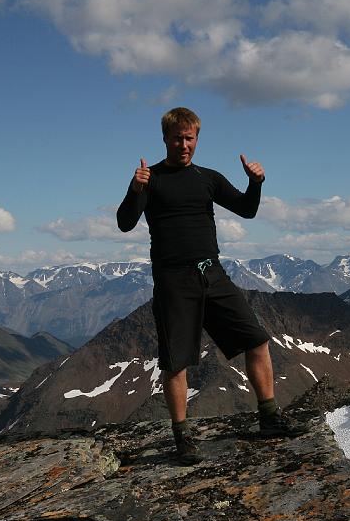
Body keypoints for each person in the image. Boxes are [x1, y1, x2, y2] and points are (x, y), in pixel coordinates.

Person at [117, 107, 307, 464]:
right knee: (176, 361)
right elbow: (125, 223)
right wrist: (134, 189)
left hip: (212, 273)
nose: (184, 144)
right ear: (165, 139)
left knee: (257, 340)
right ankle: (183, 438)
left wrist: (256, 183)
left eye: (190, 138)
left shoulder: (208, 178)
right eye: (177, 138)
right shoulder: (150, 179)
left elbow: (246, 210)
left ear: (197, 139)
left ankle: (268, 417)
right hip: (174, 281)